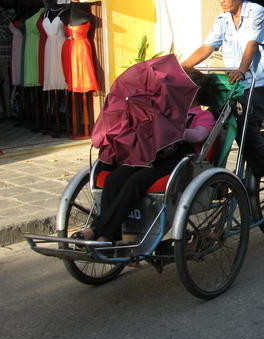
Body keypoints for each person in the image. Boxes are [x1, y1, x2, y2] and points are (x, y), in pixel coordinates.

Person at [77, 69, 216, 242]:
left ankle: (100, 231)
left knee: (138, 180)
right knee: (115, 178)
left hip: (178, 160)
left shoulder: (204, 115)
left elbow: (199, 135)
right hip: (151, 154)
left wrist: (173, 131)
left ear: (192, 92)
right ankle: (108, 234)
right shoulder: (167, 111)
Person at [182, 0, 264, 198]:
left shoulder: (257, 12)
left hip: (261, 83)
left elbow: (252, 45)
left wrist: (242, 68)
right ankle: (215, 183)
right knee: (214, 129)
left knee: (244, 127)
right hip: (233, 85)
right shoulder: (222, 20)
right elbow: (207, 47)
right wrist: (181, 67)